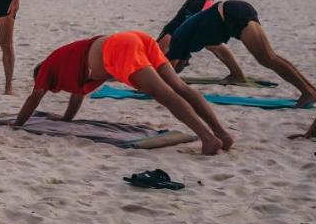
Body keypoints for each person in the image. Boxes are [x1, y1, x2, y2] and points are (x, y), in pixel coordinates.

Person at [15, 31, 234, 155]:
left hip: (118, 49)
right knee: (180, 87)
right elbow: (77, 95)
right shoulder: (69, 65)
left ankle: (207, 138)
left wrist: (17, 124)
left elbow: (35, 97)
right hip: (136, 38)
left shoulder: (46, 68)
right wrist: (66, 119)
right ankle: (222, 134)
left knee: (164, 93)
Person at [165, 0, 316, 106]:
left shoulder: (178, 43)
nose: (186, 66)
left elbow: (169, 72)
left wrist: (160, 85)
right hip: (232, 12)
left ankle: (308, 92)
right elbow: (221, 51)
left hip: (231, 14)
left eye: (182, 67)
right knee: (269, 57)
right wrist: (236, 74)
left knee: (268, 58)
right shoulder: (190, 40)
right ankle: (310, 90)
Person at [157, 0, 248, 83]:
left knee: (212, 45)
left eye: (185, 64)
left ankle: (238, 75)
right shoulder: (180, 42)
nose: (188, 65)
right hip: (198, 8)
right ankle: (238, 74)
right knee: (212, 44)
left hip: (197, 5)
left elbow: (169, 73)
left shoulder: (166, 45)